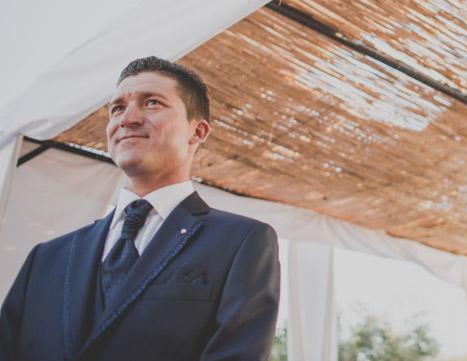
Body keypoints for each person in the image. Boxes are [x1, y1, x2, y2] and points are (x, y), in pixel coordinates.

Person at [0, 57, 280, 361]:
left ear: (197, 132)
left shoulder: (242, 242)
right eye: (117, 108)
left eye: (152, 103)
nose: (127, 118)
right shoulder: (45, 259)